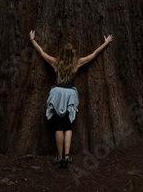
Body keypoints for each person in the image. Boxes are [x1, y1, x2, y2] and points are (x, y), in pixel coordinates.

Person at [29, 30, 113, 168]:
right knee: (68, 126)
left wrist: (32, 40)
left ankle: (60, 157)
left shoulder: (55, 62)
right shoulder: (77, 63)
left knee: (58, 127)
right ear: (73, 55)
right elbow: (93, 54)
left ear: (62, 54)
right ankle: (67, 157)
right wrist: (106, 43)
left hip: (57, 94)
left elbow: (41, 52)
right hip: (69, 95)